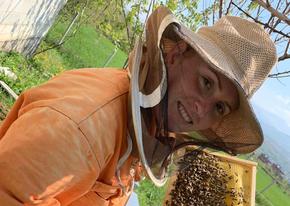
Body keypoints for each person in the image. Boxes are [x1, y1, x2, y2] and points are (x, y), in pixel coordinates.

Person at [0, 6, 277, 206]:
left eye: (219, 108)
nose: (202, 110)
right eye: (206, 82)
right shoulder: (78, 131)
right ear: (177, 53)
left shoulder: (148, 121)